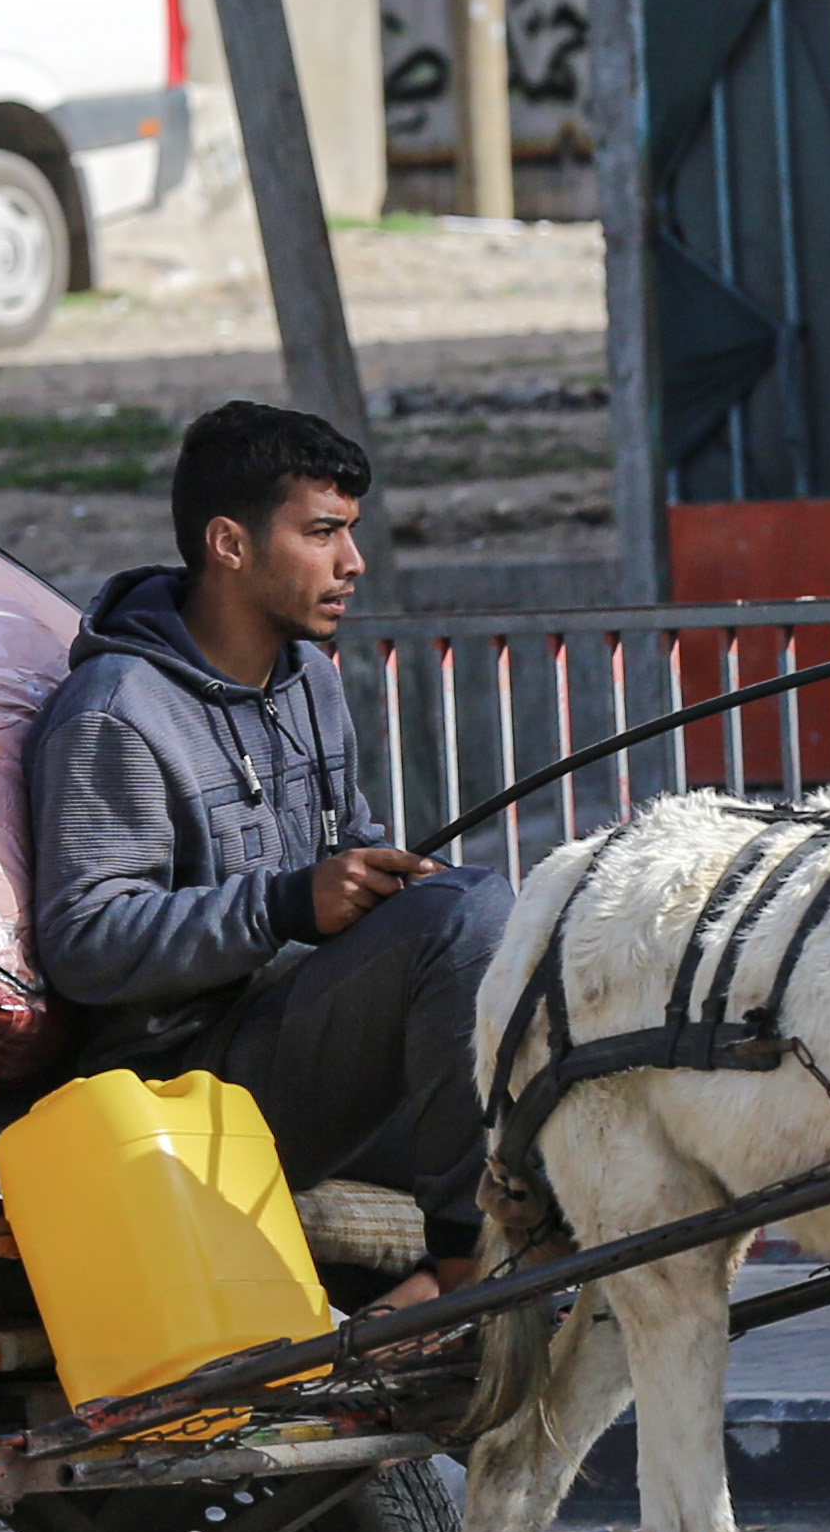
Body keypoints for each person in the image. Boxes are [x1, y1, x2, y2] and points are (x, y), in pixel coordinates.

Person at [27, 400, 506, 1302]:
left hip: (298, 1046)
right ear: (230, 544)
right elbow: (85, 942)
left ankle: (422, 1300)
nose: (352, 562)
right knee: (471, 915)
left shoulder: (309, 679)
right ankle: (467, 1281)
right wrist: (283, 906)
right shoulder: (116, 710)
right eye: (322, 533)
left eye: (350, 531)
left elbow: (346, 843)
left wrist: (388, 880)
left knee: (545, 1090)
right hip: (176, 1091)